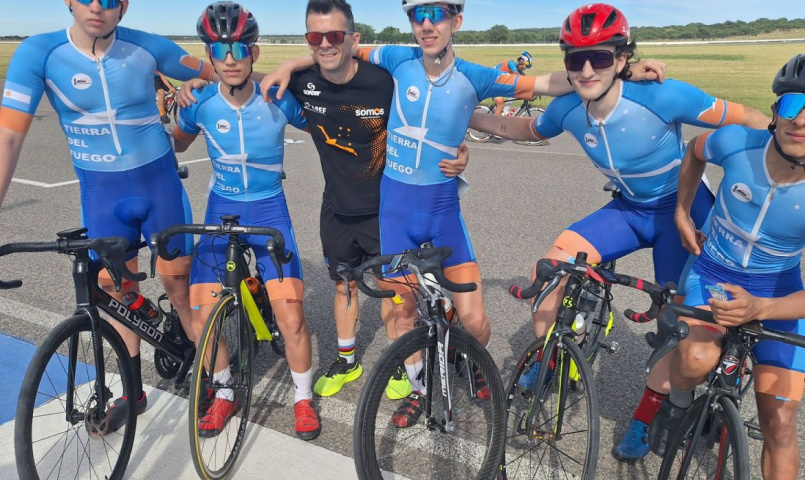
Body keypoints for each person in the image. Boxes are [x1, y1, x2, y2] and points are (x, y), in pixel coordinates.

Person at [261, 0, 665, 428]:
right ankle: (419, 390)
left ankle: (470, 360)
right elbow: (338, 49)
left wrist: (620, 71)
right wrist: (289, 63)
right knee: (402, 315)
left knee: (474, 320)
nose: (427, 24)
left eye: (437, 14)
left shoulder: (475, 75)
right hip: (395, 216)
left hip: (442, 215)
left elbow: (541, 83)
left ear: (456, 21)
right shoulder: (397, 58)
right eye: (418, 16)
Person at [466, 2, 770, 460]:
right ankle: (553, 358)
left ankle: (647, 418)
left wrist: (783, 162)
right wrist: (465, 116)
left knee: (677, 325)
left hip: (683, 213)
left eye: (600, 57)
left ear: (622, 58)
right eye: (576, 59)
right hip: (629, 209)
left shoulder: (663, 96)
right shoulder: (569, 108)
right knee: (548, 271)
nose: (587, 69)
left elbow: (749, 119)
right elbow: (526, 128)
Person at [650, 49, 805, 480]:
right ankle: (678, 405)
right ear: (775, 109)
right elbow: (694, 153)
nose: (802, 120)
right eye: (792, 105)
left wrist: (760, 309)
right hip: (713, 271)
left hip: (777, 291)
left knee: (780, 423)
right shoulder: (736, 141)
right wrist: (682, 211)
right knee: (694, 359)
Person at [0, 0, 214, 428]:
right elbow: (7, 140)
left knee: (178, 286)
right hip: (102, 194)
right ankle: (133, 394)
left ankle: (210, 377)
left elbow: (226, 73)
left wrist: (203, 84)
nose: (98, 6)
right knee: (115, 292)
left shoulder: (148, 47)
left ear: (124, 6)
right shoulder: (38, 53)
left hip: (159, 187)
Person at [288, 0, 470, 400]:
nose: (325, 44)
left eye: (335, 35)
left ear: (353, 39)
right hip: (336, 208)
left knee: (395, 293)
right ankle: (347, 361)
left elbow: (435, 111)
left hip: (387, 210)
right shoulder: (301, 82)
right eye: (316, 36)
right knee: (344, 287)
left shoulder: (384, 80)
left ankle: (401, 363)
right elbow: (244, 81)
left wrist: (459, 152)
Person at [171, 1, 321, 441]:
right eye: (220, 50)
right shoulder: (199, 102)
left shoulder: (278, 98)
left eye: (239, 48)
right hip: (221, 208)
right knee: (202, 317)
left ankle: (302, 398)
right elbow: (176, 146)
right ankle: (223, 391)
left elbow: (330, 130)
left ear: (254, 52)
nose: (231, 58)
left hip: (270, 208)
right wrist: (175, 102)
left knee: (291, 318)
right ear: (210, 55)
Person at [493, 50, 533, 116]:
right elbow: (518, 77)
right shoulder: (510, 63)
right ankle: (495, 121)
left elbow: (526, 82)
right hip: (492, 83)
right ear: (521, 62)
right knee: (500, 105)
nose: (524, 69)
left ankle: (505, 112)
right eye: (524, 67)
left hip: (499, 84)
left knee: (515, 91)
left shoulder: (520, 72)